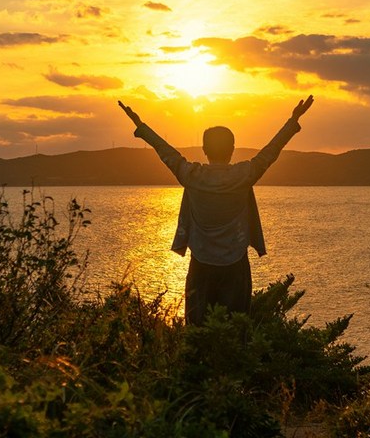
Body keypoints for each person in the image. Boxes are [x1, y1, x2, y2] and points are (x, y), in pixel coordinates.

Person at [117, 96, 314, 324]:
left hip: (201, 263)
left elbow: (165, 151)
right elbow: (271, 151)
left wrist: (141, 126)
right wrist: (293, 120)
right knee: (235, 328)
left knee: (197, 328)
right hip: (236, 264)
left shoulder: (191, 175)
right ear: (232, 149)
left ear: (204, 149)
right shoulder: (244, 174)